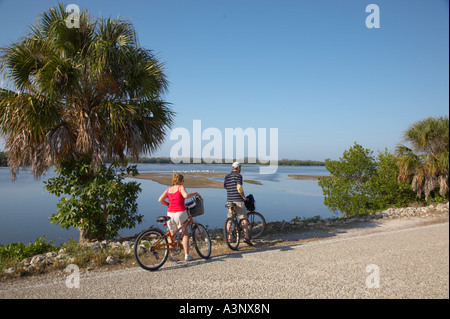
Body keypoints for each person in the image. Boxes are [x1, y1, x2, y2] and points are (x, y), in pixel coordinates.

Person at [158, 173, 202, 261]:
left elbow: (160, 200)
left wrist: (168, 204)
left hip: (170, 213)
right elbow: (185, 195)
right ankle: (187, 255)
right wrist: (195, 193)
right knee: (185, 233)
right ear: (180, 181)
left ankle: (172, 255)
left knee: (172, 235)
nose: (183, 182)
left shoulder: (168, 189)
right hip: (180, 213)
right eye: (183, 180)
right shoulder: (180, 187)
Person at [224, 162, 253, 246]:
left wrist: (231, 189)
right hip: (238, 200)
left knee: (230, 219)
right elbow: (239, 187)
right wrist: (243, 197)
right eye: (240, 167)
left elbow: (225, 186)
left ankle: (230, 237)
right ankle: (246, 237)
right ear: (238, 168)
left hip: (229, 200)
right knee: (243, 218)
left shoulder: (227, 176)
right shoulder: (238, 176)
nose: (241, 169)